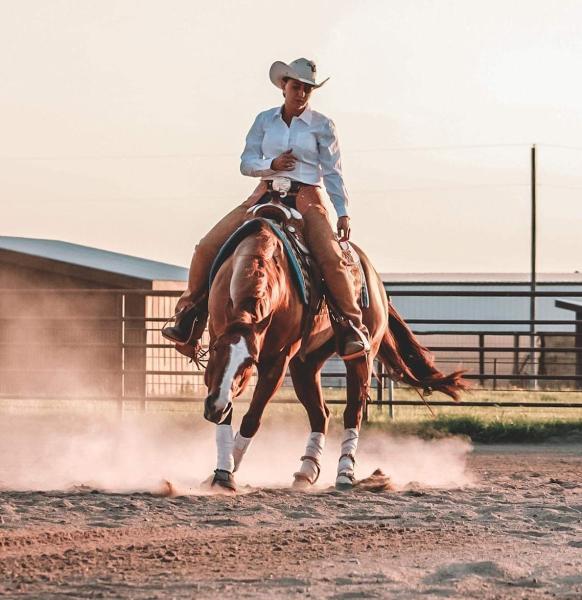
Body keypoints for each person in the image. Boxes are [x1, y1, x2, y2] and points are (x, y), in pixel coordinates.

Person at [162, 58, 370, 359]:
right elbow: (246, 163)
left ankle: (352, 325)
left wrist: (343, 211)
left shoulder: (323, 125)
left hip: (307, 196)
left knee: (331, 258)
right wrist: (271, 165)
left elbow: (333, 172)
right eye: (296, 86)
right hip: (264, 193)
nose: (300, 93)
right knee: (207, 247)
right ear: (283, 86)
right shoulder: (264, 120)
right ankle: (189, 313)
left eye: (307, 89)